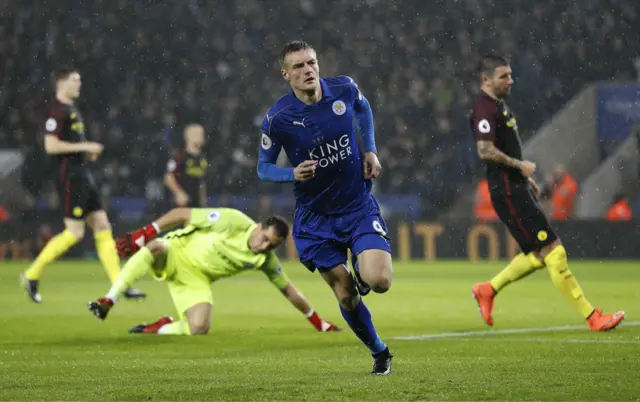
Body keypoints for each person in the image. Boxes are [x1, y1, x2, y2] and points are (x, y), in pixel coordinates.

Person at [257, 40, 393, 375]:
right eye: (299, 67)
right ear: (285, 74)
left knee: (380, 281)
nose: (308, 71)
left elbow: (363, 109)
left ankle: (362, 273)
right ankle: (380, 351)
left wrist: (370, 149)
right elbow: (263, 167)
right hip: (315, 219)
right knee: (346, 296)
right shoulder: (278, 118)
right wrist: (291, 173)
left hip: (356, 205)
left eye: (312, 63)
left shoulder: (344, 89)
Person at [469, 55, 624, 331]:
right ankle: (592, 317)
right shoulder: (483, 108)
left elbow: (504, 147)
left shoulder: (498, 107)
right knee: (554, 251)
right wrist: (520, 167)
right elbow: (485, 149)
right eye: (504, 76)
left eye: (510, 75)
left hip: (515, 187)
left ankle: (488, 289)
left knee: (540, 254)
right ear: (486, 79)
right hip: (506, 191)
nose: (510, 80)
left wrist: (524, 179)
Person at [87, 207, 339, 335]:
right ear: (260, 226)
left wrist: (318, 323)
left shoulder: (265, 260)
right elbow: (182, 213)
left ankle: (159, 327)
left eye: (271, 246)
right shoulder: (232, 220)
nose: (264, 247)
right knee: (154, 247)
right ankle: (110, 298)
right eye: (265, 239)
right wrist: (147, 231)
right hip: (175, 251)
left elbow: (289, 290)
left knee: (199, 328)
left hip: (195, 279)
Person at [20, 67, 145, 303]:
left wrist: (86, 153)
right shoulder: (57, 111)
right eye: (75, 80)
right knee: (75, 232)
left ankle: (120, 284)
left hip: (82, 173)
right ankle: (31, 274)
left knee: (102, 225)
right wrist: (85, 147)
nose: (79, 84)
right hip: (70, 176)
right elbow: (51, 146)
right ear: (61, 83)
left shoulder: (71, 109)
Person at [164, 124, 208, 208]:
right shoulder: (179, 155)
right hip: (181, 205)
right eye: (196, 133)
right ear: (188, 136)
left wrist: (203, 201)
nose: (201, 136)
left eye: (202, 133)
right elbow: (168, 177)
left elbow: (202, 181)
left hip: (197, 206)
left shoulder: (203, 157)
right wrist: (178, 193)